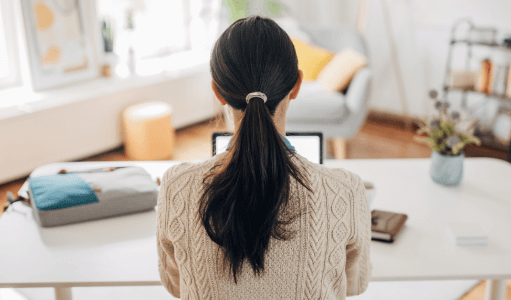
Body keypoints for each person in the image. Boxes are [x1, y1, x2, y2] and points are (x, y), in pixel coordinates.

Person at [156, 16, 371, 299]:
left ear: (218, 92)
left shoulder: (176, 187)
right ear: (296, 85)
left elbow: (175, 286)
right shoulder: (346, 191)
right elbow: (355, 286)